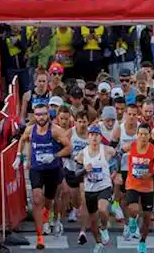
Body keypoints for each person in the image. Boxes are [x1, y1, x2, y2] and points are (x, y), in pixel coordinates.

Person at [18, 102, 71, 249]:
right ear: (34, 116)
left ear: (48, 115)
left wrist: (54, 155)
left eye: (44, 114)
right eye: (38, 114)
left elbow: (69, 147)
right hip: (37, 169)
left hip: (52, 169)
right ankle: (40, 236)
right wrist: (18, 156)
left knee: (49, 200)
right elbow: (22, 140)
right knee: (36, 200)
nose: (41, 117)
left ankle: (47, 212)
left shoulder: (55, 131)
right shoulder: (31, 130)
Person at [78, 125, 114, 253]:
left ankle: (104, 227)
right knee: (93, 221)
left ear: (100, 137)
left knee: (103, 209)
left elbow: (119, 157)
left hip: (104, 186)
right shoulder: (82, 153)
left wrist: (116, 172)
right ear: (88, 137)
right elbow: (75, 174)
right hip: (90, 189)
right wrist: (83, 170)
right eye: (91, 135)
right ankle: (98, 243)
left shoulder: (107, 150)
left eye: (96, 135)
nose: (94, 137)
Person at [124, 123, 154, 253]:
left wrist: (150, 173)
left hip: (147, 188)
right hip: (132, 184)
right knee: (133, 209)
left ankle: (142, 242)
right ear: (137, 135)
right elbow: (117, 152)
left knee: (146, 218)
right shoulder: (131, 146)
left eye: (146, 134)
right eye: (141, 134)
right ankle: (132, 220)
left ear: (149, 136)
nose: (143, 137)